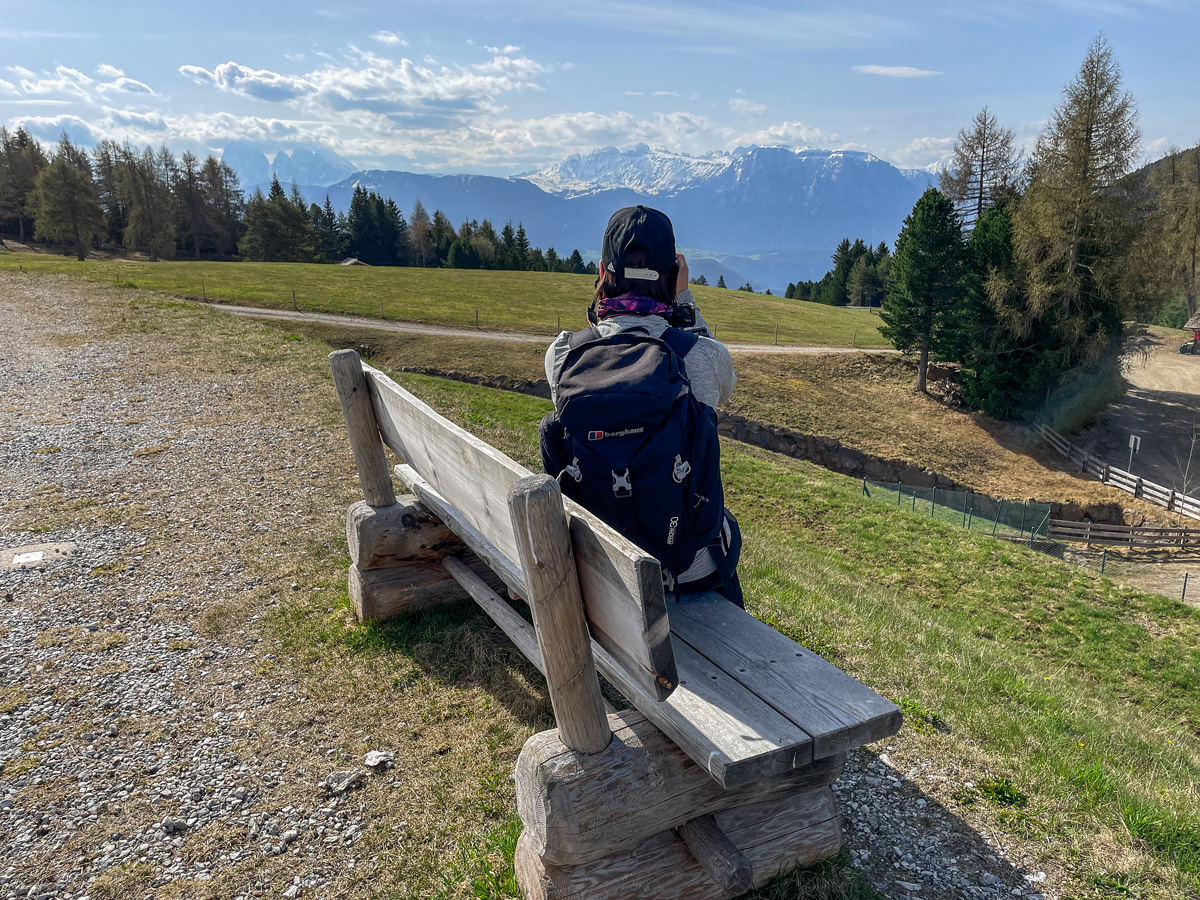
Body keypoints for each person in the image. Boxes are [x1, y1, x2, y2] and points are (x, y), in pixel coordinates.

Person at [541, 205, 742, 605]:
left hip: (602, 573)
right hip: (691, 574)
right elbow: (721, 388)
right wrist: (684, 301)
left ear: (602, 273)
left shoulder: (563, 355)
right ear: (672, 276)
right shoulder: (701, 357)